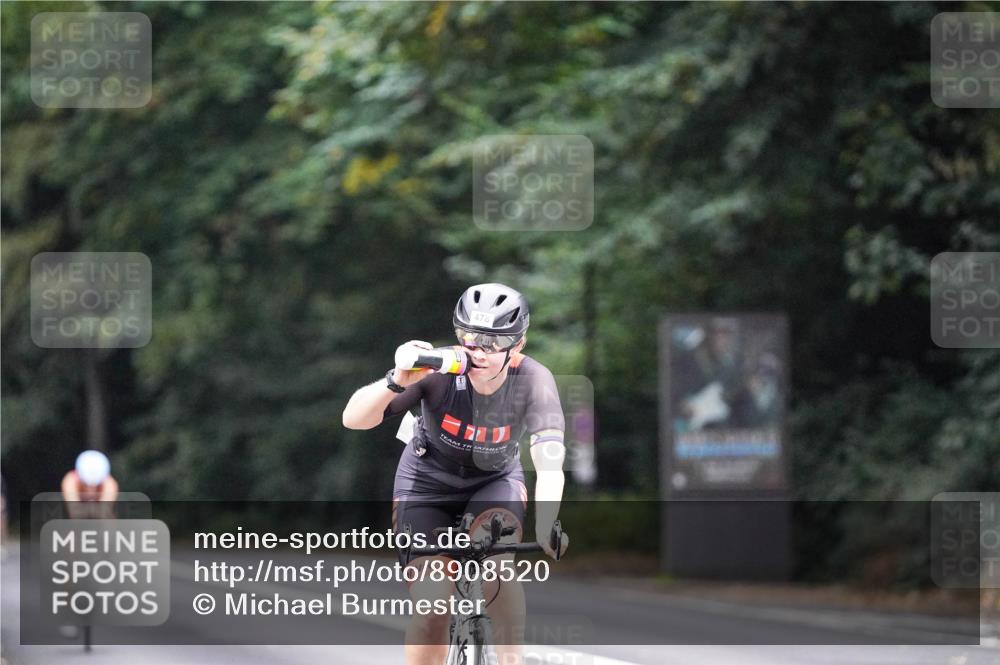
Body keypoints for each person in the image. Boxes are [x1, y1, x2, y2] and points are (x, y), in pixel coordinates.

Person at [343, 283, 569, 665]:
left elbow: (550, 463)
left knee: (499, 573)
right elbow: (353, 420)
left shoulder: (533, 380)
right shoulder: (438, 370)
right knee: (432, 605)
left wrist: (547, 523)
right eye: (468, 337)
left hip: (494, 480)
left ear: (518, 344)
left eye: (491, 342)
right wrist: (397, 380)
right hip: (427, 481)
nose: (476, 351)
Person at [61, 450, 118, 519]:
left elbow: (104, 514)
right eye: (86, 485)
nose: (91, 490)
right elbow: (74, 514)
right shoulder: (70, 481)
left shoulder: (110, 484)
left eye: (96, 485)